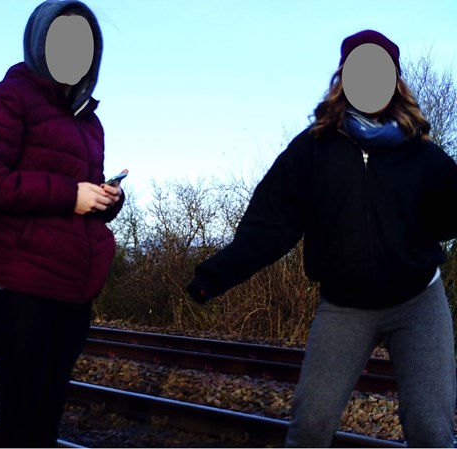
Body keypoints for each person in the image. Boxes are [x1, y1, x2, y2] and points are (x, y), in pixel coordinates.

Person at [187, 29, 457, 447]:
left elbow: (448, 218)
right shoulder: (312, 150)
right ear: (344, 79)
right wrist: (214, 275)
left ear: (395, 84)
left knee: (431, 428)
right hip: (345, 307)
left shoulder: (423, 155)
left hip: (417, 303)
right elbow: (271, 223)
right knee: (310, 424)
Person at [0, 1, 124, 446]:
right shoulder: (4, 100)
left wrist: (107, 199)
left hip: (74, 282)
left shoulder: (89, 122)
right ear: (39, 42)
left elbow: (81, 194)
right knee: (23, 413)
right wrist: (71, 195)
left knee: (48, 410)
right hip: (21, 278)